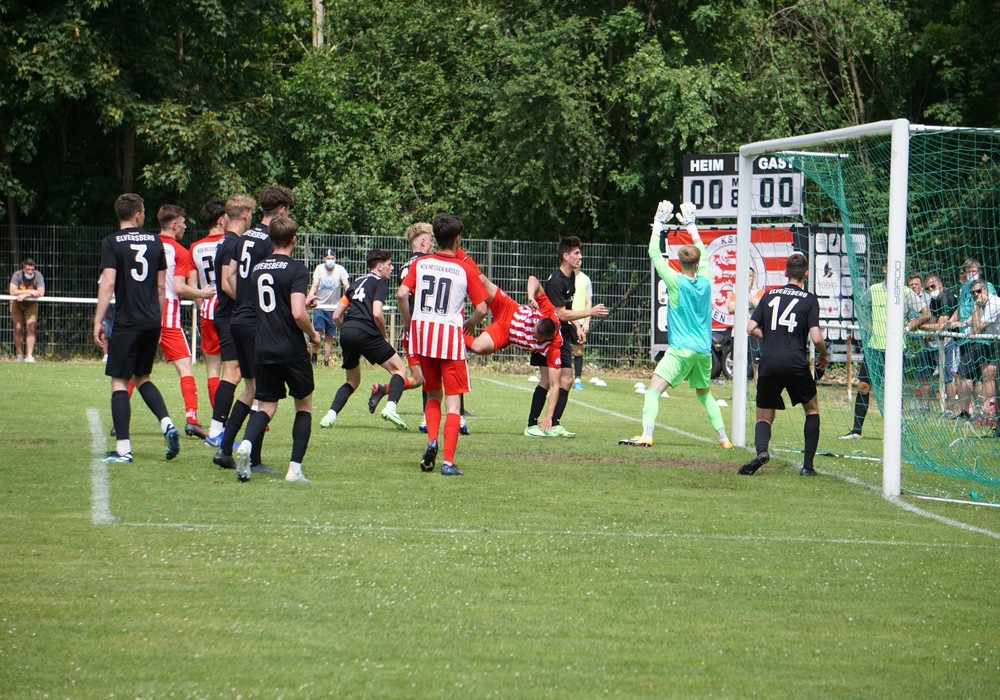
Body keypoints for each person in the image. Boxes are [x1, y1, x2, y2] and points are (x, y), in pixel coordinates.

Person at [619, 201, 732, 449]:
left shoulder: (674, 280)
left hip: (681, 349)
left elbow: (654, 253)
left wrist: (658, 223)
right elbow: (702, 252)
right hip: (703, 351)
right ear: (697, 263)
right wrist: (691, 226)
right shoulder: (706, 280)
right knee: (705, 394)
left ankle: (647, 434)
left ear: (680, 262)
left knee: (653, 390)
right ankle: (724, 439)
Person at [398, 213, 488, 476]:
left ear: (435, 238)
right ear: (457, 239)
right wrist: (470, 323)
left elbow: (402, 294)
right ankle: (448, 462)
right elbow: (482, 309)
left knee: (432, 394)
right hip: (450, 341)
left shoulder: (421, 263)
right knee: (453, 403)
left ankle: (431, 441)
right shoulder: (465, 268)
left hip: (424, 338)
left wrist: (408, 322)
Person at [233, 215, 321, 483]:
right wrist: (313, 334)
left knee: (266, 406)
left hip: (263, 346)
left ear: (271, 239)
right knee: (303, 405)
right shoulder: (297, 269)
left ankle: (246, 445)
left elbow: (271, 305)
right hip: (290, 347)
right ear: (294, 239)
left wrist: (303, 303)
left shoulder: (258, 269)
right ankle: (294, 470)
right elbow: (296, 313)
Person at [93, 193, 181, 463]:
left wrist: (98, 320)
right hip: (151, 320)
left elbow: (108, 283)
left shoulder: (111, 242)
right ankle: (167, 423)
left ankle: (123, 449)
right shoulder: (156, 242)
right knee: (142, 377)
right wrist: (158, 319)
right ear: (137, 215)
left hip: (127, 321)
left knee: (120, 381)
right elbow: (161, 287)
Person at [216, 185, 294, 473]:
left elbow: (231, 276)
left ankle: (224, 449)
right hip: (257, 324)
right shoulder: (272, 241)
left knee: (250, 389)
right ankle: (254, 458)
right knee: (264, 394)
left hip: (238, 318)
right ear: (282, 210)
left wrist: (245, 300)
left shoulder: (244, 237)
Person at [738, 253, 828, 476]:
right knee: (811, 409)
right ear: (806, 274)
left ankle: (762, 452)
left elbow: (750, 328)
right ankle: (807, 467)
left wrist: (770, 337)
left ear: (786, 272)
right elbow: (816, 337)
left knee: (763, 415)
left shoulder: (769, 295)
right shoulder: (809, 299)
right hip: (795, 361)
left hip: (769, 361)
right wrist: (824, 355)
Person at [319, 248, 411, 430]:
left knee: (352, 381)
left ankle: (330, 416)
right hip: (366, 331)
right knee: (399, 370)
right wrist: (384, 336)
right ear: (379, 267)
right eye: (389, 264)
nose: (392, 268)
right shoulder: (380, 283)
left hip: (347, 331)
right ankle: (391, 408)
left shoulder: (355, 283)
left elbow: (336, 316)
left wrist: (347, 332)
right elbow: (377, 313)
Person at [525, 236, 608, 437]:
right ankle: (531, 425)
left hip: (561, 334)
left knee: (567, 379)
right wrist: (589, 312)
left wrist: (577, 326)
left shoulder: (571, 278)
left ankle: (553, 424)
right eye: (576, 253)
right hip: (547, 336)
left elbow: (567, 308)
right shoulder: (556, 281)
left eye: (580, 252)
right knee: (547, 380)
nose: (580, 256)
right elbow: (560, 314)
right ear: (565, 256)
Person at [841, 264, 930, 439]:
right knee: (863, 386)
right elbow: (860, 306)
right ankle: (856, 431)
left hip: (896, 349)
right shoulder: (874, 289)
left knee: (893, 390)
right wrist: (868, 326)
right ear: (884, 269)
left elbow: (926, 313)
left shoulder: (905, 292)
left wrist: (909, 326)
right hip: (875, 347)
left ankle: (895, 431)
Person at [466, 275, 562, 432]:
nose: (532, 333)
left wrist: (549, 416)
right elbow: (533, 279)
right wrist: (531, 297)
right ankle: (459, 265)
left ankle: (454, 330)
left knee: (478, 347)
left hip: (505, 333)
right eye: (533, 329)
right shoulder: (547, 310)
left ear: (547, 338)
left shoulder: (553, 347)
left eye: (536, 336)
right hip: (508, 308)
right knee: (482, 281)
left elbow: (555, 385)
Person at [156, 205, 215, 439]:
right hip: (168, 315)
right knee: (185, 369)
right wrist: (203, 293)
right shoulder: (179, 251)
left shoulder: (148, 244)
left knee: (135, 370)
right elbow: (179, 288)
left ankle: (117, 424)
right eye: (182, 223)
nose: (185, 227)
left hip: (143, 313)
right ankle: (192, 419)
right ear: (174, 224)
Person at [205, 194, 254, 450]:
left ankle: (221, 429)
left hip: (228, 314)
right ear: (245, 215)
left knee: (237, 374)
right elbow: (226, 283)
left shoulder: (228, 241)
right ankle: (216, 431)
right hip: (230, 315)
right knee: (232, 373)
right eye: (251, 214)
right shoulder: (233, 243)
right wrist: (249, 302)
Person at [189, 201, 227, 411]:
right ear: (221, 220)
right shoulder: (233, 242)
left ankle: (218, 418)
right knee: (239, 368)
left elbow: (192, 286)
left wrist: (203, 305)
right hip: (231, 308)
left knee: (213, 370)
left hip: (208, 309)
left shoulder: (195, 247)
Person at [951, 259, 997, 420]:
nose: (976, 294)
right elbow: (962, 311)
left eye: (973, 271)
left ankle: (974, 411)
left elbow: (983, 319)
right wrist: (953, 322)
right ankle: (978, 411)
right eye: (967, 271)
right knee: (979, 376)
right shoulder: (965, 288)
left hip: (982, 338)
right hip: (967, 338)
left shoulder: (988, 290)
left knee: (965, 373)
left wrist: (973, 328)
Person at [923, 272, 961, 416]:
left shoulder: (947, 297)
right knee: (925, 372)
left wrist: (922, 326)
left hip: (952, 341)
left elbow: (940, 325)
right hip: (939, 341)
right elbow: (933, 321)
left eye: (933, 286)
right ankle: (925, 405)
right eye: (928, 288)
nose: (931, 290)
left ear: (940, 284)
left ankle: (950, 409)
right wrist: (928, 327)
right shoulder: (933, 301)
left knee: (948, 375)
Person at [308, 249, 350, 367]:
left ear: (335, 259)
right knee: (317, 333)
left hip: (333, 307)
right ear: (324, 259)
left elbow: (346, 285)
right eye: (328, 258)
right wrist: (309, 298)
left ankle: (326, 361)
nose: (330, 260)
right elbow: (314, 285)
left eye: (332, 258)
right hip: (320, 306)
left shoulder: (340, 270)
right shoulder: (319, 269)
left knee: (329, 336)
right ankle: (314, 356)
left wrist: (349, 299)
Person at [9, 258, 45, 362]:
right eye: (28, 269)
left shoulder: (38, 276)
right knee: (18, 328)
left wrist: (24, 295)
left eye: (32, 269)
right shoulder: (17, 275)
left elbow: (41, 292)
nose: (30, 272)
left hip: (31, 304)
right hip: (16, 303)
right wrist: (30, 292)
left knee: (31, 327)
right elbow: (12, 291)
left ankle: (29, 356)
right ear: (23, 269)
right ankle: (19, 355)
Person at [570, 262, 593, 390]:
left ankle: (578, 379)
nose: (578, 260)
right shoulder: (562, 277)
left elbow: (588, 302)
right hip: (565, 318)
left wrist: (587, 322)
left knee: (578, 350)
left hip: (580, 320)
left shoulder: (585, 279)